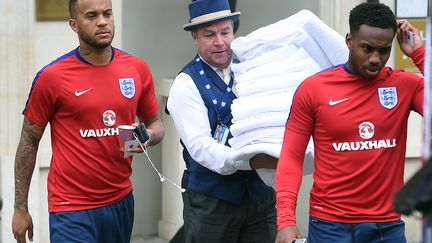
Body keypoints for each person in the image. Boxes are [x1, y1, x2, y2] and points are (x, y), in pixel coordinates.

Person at [11, 0, 164, 242]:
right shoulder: (52, 77)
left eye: (107, 13)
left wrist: (148, 136)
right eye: (91, 16)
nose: (102, 21)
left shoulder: (136, 69)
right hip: (71, 207)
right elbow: (29, 141)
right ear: (74, 24)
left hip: (120, 200)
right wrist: (20, 207)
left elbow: (156, 124)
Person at [275, 2, 425, 243]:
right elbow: (292, 157)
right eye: (367, 48)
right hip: (329, 227)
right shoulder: (313, 89)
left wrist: (419, 54)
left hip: (386, 227)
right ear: (349, 41)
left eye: (384, 50)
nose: (376, 59)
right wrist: (285, 220)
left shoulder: (405, 86)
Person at [167, 0, 277, 242]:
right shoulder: (186, 84)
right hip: (211, 202)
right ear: (194, 37)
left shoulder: (250, 72)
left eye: (225, 32)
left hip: (260, 197)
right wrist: (251, 161)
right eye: (209, 35)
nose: (220, 41)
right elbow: (201, 147)